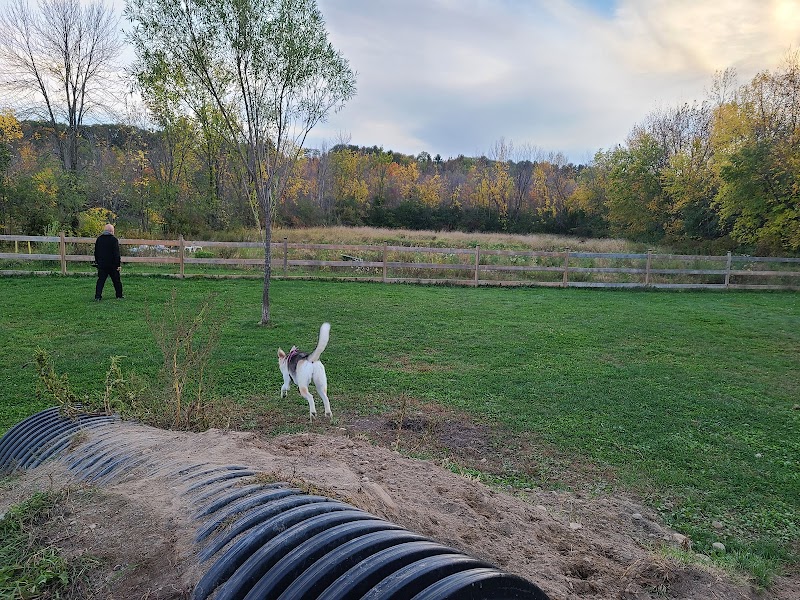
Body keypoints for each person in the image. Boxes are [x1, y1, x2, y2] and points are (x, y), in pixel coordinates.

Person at [94, 223, 124, 300]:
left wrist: (97, 262)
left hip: (102, 265)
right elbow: (116, 254)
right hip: (112, 265)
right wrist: (118, 265)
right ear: (111, 231)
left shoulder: (99, 239)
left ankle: (98, 296)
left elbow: (96, 252)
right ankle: (119, 295)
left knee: (100, 281)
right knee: (116, 281)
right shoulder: (114, 240)